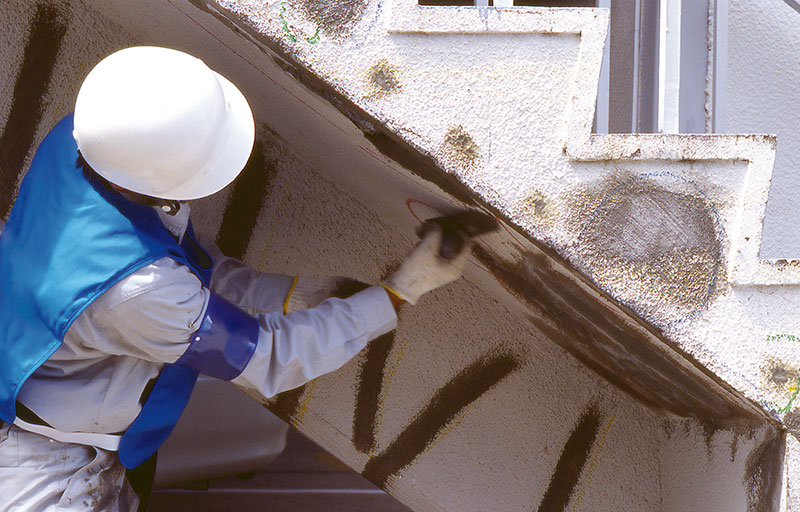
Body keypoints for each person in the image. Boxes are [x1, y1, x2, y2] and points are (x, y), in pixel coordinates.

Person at [0, 46, 471, 511]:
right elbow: (269, 359)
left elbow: (180, 267)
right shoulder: (138, 290)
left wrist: (287, 294)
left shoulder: (79, 142)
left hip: (56, 415)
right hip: (52, 474)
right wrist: (400, 292)